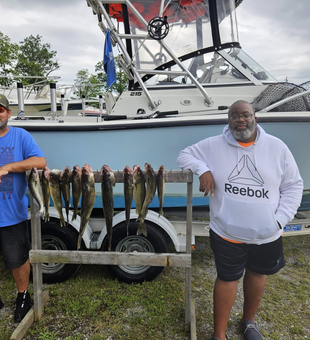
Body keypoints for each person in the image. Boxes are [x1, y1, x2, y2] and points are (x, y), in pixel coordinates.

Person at [177, 100, 303, 340]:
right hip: (227, 232)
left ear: (255, 118)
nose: (241, 120)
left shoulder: (278, 148)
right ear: (229, 120)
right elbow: (184, 155)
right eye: (235, 116)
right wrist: (202, 169)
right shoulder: (213, 145)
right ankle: (219, 334)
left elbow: (294, 186)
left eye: (246, 115)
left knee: (257, 275)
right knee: (227, 278)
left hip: (267, 233)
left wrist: (280, 220)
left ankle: (249, 322)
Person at [0, 94, 46, 322]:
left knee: (17, 259)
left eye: (0, 110)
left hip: (11, 213)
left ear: (8, 113)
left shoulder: (20, 136)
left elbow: (39, 162)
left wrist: (8, 167)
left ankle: (23, 296)